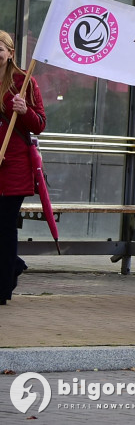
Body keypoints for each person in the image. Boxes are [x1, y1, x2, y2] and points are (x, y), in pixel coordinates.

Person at [0, 31, 45, 305]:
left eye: (0, 49)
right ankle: (12, 265)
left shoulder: (23, 81)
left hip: (12, 167)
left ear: (10, 52)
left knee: (4, 227)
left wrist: (24, 109)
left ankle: (3, 287)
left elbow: (39, 123)